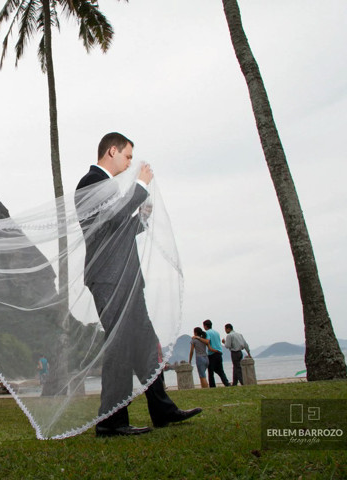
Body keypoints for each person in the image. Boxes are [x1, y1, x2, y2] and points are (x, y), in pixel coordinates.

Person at [76, 132, 202, 437]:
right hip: (109, 278)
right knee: (119, 345)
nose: (131, 162)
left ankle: (162, 410)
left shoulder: (105, 185)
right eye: (128, 156)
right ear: (112, 151)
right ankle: (111, 421)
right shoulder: (90, 182)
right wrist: (141, 186)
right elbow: (112, 219)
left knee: (145, 343)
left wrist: (142, 218)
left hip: (126, 278)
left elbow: (118, 228)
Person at [201, 319, 230, 387]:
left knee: (210, 371)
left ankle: (212, 386)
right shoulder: (216, 332)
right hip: (219, 353)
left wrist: (199, 338)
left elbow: (207, 341)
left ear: (205, 326)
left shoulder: (207, 332)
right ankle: (226, 383)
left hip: (212, 354)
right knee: (220, 370)